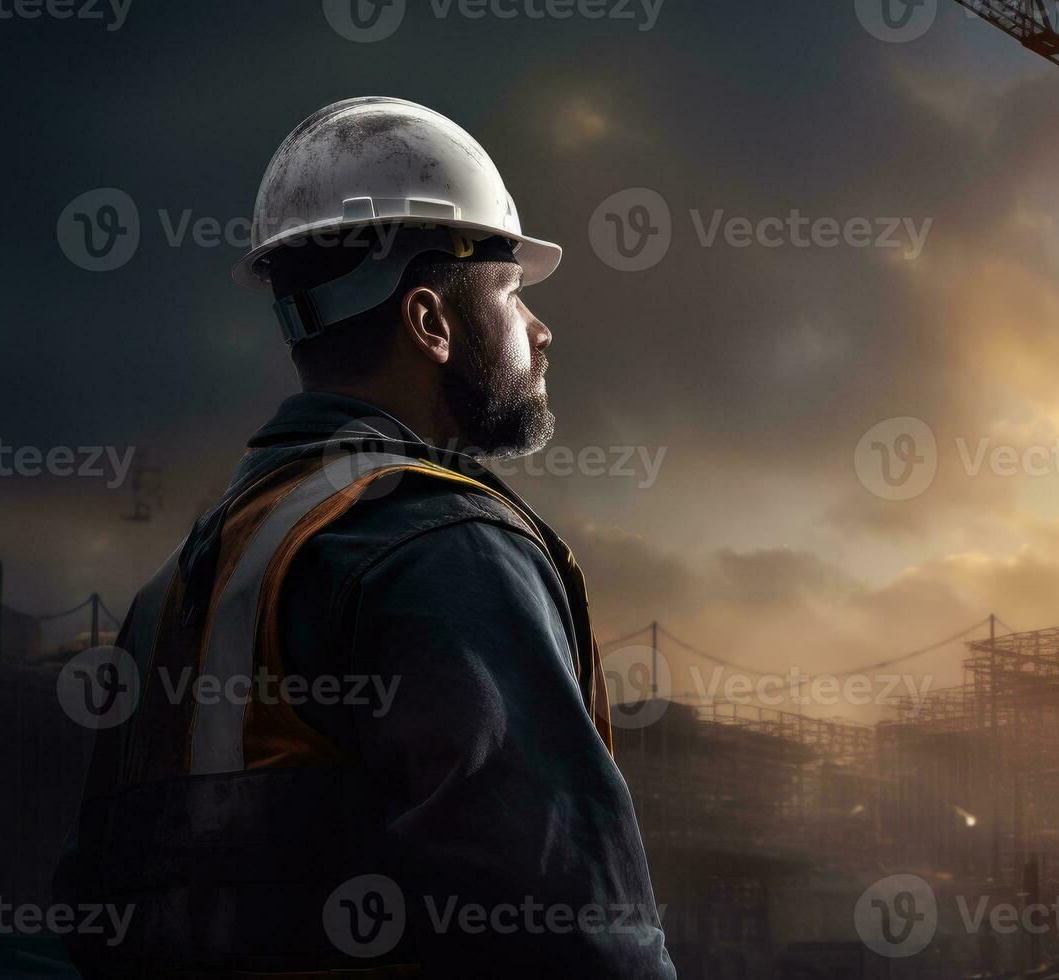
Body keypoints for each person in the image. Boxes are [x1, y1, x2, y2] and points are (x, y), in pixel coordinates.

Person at [55, 96, 676, 978]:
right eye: (512, 294)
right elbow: (570, 935)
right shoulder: (439, 546)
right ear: (431, 322)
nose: (541, 332)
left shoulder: (180, 587)